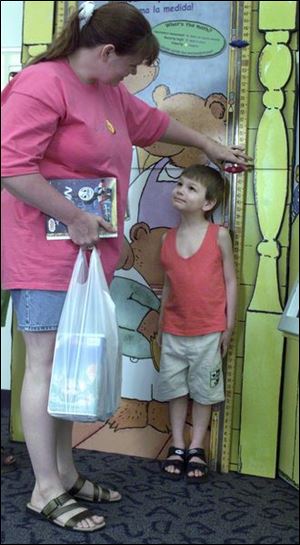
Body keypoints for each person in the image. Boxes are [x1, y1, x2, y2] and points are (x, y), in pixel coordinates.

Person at [1, 0, 249, 532]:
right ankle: (43, 489)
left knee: (66, 364)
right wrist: (73, 216)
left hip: (85, 254)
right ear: (108, 52)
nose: (134, 75)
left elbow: (154, 123)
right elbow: (11, 166)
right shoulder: (42, 84)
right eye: (132, 65)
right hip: (45, 252)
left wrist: (210, 145)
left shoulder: (107, 90)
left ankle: (64, 473)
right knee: (45, 364)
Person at [157, 164, 237, 483]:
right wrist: (162, 324)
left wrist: (229, 327)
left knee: (204, 392)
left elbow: (230, 281)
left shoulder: (219, 236)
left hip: (208, 331)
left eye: (191, 188)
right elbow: (168, 284)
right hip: (174, 331)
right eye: (179, 184)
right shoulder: (167, 238)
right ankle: (177, 445)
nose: (180, 190)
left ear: (208, 203)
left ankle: (197, 447)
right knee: (176, 390)